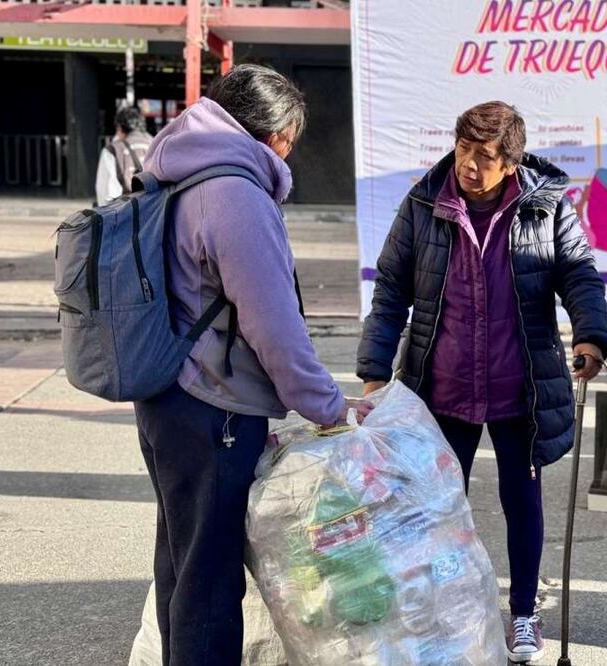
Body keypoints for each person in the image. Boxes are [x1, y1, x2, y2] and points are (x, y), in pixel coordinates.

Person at [356, 101, 607, 663]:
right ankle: (442, 611)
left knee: (521, 499)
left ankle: (523, 614)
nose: (470, 165)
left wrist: (591, 334)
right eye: (464, 149)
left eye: (486, 156)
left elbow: (578, 272)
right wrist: (375, 372)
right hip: (441, 385)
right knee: (435, 505)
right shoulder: (425, 202)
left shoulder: (545, 209)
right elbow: (392, 290)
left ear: (512, 163)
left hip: (519, 386)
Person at [133, 65, 371, 665]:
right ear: (278, 136)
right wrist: (329, 406)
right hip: (215, 406)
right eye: (291, 139)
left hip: (166, 392)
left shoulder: (179, 169)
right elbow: (273, 325)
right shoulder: (235, 193)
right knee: (211, 578)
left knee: (183, 563)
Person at [95, 106, 154, 205]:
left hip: (126, 215)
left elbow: (106, 194)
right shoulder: (156, 144)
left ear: (120, 128)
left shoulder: (113, 150)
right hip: (155, 213)